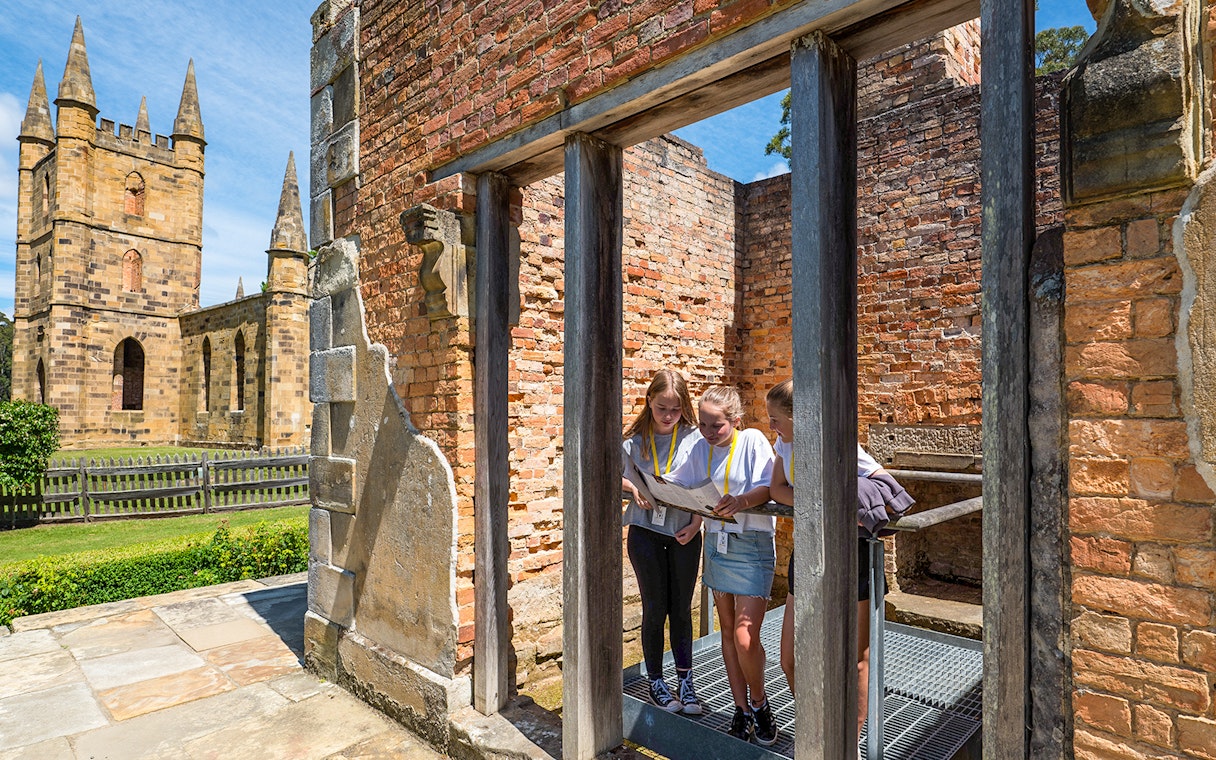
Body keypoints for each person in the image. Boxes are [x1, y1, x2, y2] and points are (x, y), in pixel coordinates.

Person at [766, 379, 913, 746]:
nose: (770, 426)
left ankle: (850, 741)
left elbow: (887, 488)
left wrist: (843, 499)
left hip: (853, 554)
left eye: (775, 418)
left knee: (856, 658)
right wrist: (822, 501)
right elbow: (776, 490)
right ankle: (818, 726)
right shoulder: (785, 443)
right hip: (809, 550)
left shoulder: (840, 443)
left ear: (799, 417)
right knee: (791, 657)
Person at [666, 385, 778, 746]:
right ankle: (741, 708)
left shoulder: (754, 441)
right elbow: (679, 481)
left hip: (751, 544)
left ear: (736, 421)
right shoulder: (701, 447)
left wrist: (742, 501)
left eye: (717, 426)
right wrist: (648, 483)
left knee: (746, 638)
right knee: (728, 633)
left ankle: (761, 704)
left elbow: (769, 487)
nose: (708, 433)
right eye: (703, 425)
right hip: (716, 544)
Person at [621, 370, 705, 715]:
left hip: (684, 532)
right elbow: (611, 475)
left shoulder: (696, 438)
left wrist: (698, 519)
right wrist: (632, 488)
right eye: (661, 409)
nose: (669, 416)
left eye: (675, 409)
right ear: (649, 403)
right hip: (645, 534)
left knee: (682, 610)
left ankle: (686, 680)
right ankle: (656, 680)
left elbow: (707, 481)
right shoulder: (632, 441)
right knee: (655, 609)